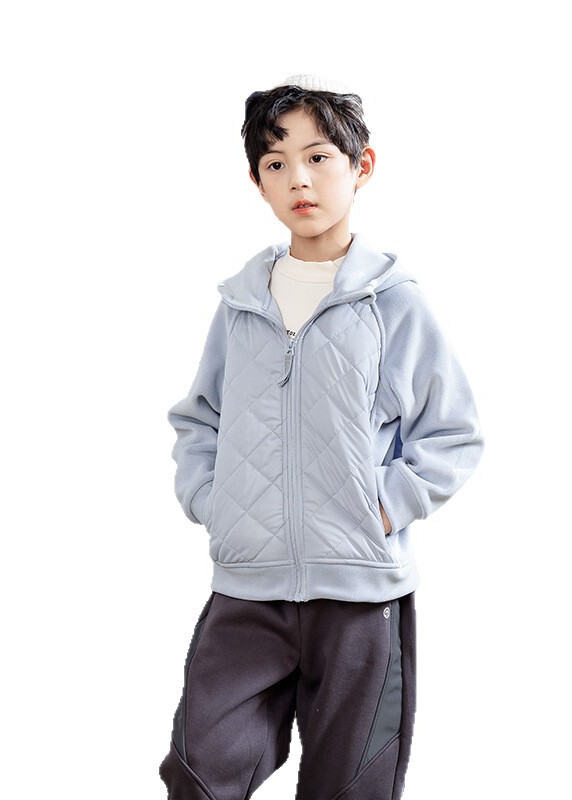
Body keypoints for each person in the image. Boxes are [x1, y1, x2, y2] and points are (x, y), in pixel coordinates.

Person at [158, 74, 484, 800]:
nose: (298, 179)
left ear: (361, 166)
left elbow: (453, 432)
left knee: (350, 788)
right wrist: (215, 501)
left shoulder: (393, 303)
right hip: (247, 589)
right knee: (199, 773)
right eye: (276, 163)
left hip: (361, 596)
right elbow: (199, 418)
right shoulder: (241, 304)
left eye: (318, 158)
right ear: (258, 182)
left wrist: (382, 508)